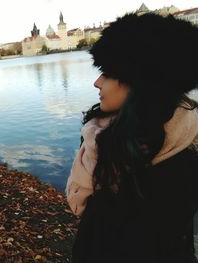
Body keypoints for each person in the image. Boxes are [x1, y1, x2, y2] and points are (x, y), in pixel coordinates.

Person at [65, 12, 198, 263]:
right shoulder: (108, 136)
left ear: (140, 82)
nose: (96, 83)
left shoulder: (167, 168)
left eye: (106, 72)